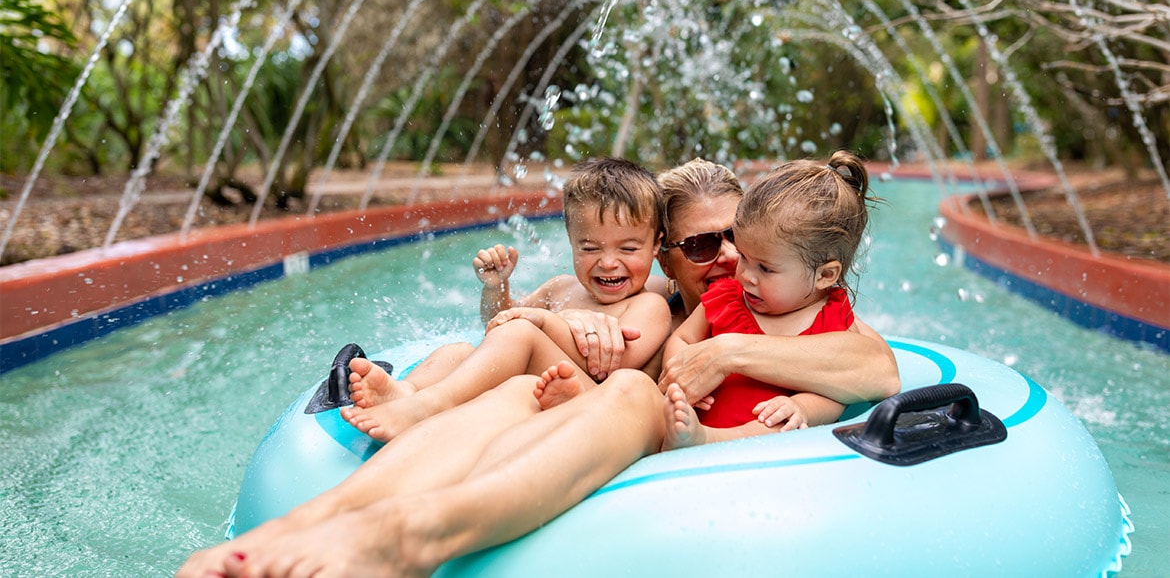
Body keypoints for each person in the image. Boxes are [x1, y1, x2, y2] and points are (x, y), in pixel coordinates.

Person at [176, 155, 899, 578]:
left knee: (619, 390)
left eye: (737, 241)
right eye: (704, 245)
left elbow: (875, 370)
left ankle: (404, 538)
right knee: (518, 381)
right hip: (596, 410)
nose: (731, 259)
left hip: (653, 426)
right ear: (663, 250)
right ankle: (303, 525)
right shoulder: (655, 295)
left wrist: (728, 352)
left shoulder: (788, 306)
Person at [340, 156, 672, 441]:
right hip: (546, 385)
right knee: (457, 352)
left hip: (596, 400)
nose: (608, 262)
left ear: (656, 245)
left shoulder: (648, 305)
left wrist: (542, 321)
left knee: (523, 332)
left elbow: (613, 364)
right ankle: (406, 392)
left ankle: (429, 405)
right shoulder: (561, 287)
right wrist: (497, 287)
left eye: (628, 248)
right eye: (590, 248)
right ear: (571, 240)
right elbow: (499, 323)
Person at [660, 151, 876, 449]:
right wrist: (680, 377)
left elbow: (839, 389)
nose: (743, 271)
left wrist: (803, 407)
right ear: (664, 262)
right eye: (700, 245)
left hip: (763, 439)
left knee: (778, 424)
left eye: (765, 267)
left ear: (825, 276)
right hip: (700, 415)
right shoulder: (726, 297)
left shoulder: (832, 319)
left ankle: (706, 439)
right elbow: (683, 339)